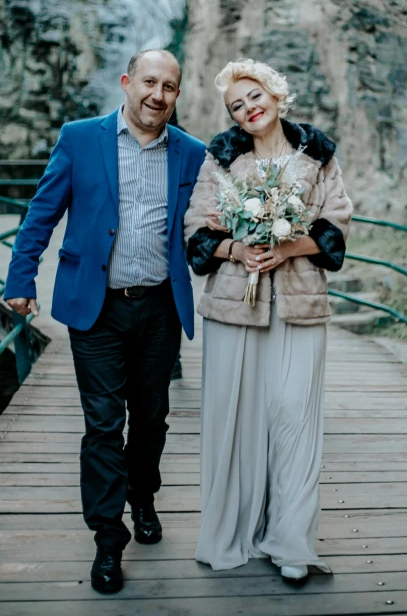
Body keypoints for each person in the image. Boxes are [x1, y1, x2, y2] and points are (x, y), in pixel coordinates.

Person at [4, 49, 206, 594]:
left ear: (177, 95)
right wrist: (20, 280)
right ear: (126, 82)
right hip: (96, 306)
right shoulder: (79, 137)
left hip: (161, 306)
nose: (156, 94)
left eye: (168, 86)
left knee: (151, 419)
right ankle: (107, 538)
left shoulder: (192, 153)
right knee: (101, 423)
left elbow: (205, 229)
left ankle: (143, 495)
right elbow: (41, 213)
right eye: (148, 81)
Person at [184, 58, 353, 580]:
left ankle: (292, 543)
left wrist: (287, 248)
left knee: (294, 416)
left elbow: (336, 226)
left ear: (277, 95)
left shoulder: (318, 155)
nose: (248, 108)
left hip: (301, 305)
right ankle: (232, 531)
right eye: (237, 105)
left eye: (255, 96)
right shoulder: (221, 159)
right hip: (236, 308)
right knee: (236, 421)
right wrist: (235, 248)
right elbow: (197, 231)